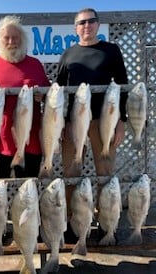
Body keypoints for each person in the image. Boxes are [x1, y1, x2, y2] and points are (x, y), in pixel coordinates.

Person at [0, 15, 50, 179]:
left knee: (28, 189)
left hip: (30, 141)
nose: (11, 42)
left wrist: (41, 96)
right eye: (6, 38)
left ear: (22, 39)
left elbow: (48, 96)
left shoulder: (35, 64)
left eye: (15, 37)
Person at [57, 8, 128, 177]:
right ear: (76, 28)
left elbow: (123, 87)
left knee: (105, 172)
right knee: (71, 173)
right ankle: (73, 204)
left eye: (91, 21)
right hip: (74, 120)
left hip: (104, 120)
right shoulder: (68, 54)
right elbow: (59, 89)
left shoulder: (111, 50)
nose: (87, 25)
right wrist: (59, 123)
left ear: (98, 25)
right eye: (82, 22)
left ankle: (103, 205)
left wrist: (121, 121)